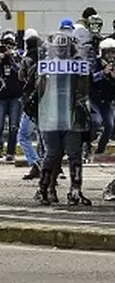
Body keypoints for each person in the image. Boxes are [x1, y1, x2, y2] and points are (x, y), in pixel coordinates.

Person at [35, 21, 93, 205]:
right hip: (52, 114)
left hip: (72, 114)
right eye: (57, 48)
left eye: (64, 47)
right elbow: (40, 91)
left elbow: (84, 91)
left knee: (74, 154)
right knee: (52, 154)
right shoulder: (45, 66)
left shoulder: (77, 64)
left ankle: (75, 190)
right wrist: (43, 76)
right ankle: (43, 189)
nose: (60, 51)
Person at [0, 30, 23, 163]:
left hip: (15, 95)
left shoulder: (19, 56)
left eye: (9, 45)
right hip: (2, 95)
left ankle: (11, 152)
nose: (6, 48)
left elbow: (21, 71)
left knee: (14, 126)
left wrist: (11, 58)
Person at [18, 28, 44, 180]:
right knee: (43, 137)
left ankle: (36, 163)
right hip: (45, 101)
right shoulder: (45, 59)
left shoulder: (27, 59)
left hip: (32, 103)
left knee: (23, 136)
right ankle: (44, 165)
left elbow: (21, 78)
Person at [92, 38, 115, 159]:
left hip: (106, 100)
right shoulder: (95, 63)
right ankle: (87, 143)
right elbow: (89, 79)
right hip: (94, 99)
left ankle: (100, 150)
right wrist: (103, 73)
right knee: (96, 121)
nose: (111, 56)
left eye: (113, 52)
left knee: (110, 124)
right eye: (108, 52)